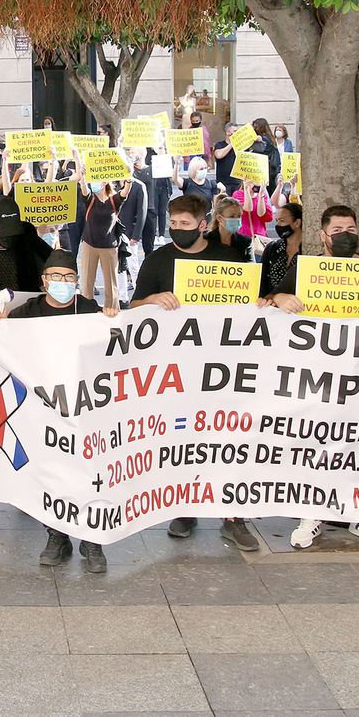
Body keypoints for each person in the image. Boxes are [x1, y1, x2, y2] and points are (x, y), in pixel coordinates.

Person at [264, 205, 359, 550]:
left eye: (350, 228)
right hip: (316, 376)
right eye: (337, 230)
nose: (345, 235)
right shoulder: (306, 270)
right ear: (322, 235)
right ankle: (311, 515)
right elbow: (272, 298)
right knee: (314, 445)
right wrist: (282, 297)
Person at [130, 194, 260, 551]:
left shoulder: (228, 258)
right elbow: (135, 304)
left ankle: (233, 516)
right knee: (183, 441)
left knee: (228, 440)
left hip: (224, 369)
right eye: (173, 224)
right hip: (177, 370)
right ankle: (185, 507)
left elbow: (252, 307)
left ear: (204, 225)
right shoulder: (158, 260)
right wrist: (151, 301)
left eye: (185, 225)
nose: (177, 230)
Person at [0, 250, 116, 572]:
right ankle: (56, 535)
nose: (62, 283)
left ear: (77, 281)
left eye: (69, 277)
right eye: (55, 277)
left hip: (85, 408)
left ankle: (92, 539)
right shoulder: (27, 313)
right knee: (51, 473)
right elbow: (0, 345)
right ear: (44, 281)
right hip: (44, 410)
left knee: (88, 473)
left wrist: (113, 317)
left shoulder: (89, 310)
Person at [75, 177, 124, 310]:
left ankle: (112, 310)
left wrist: (129, 181)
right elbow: (84, 189)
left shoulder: (114, 200)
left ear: (105, 183)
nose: (94, 184)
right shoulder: (90, 199)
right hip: (89, 244)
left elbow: (125, 193)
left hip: (109, 247)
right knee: (87, 282)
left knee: (111, 283)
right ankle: (86, 310)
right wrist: (82, 175)